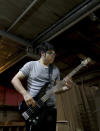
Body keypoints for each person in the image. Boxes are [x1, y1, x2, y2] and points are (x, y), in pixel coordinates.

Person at [11, 41, 72, 131]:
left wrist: (66, 88)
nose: (53, 55)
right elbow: (15, 79)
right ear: (42, 53)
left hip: (51, 109)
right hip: (34, 108)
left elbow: (55, 89)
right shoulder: (31, 65)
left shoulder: (55, 69)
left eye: (54, 53)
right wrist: (25, 94)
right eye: (50, 53)